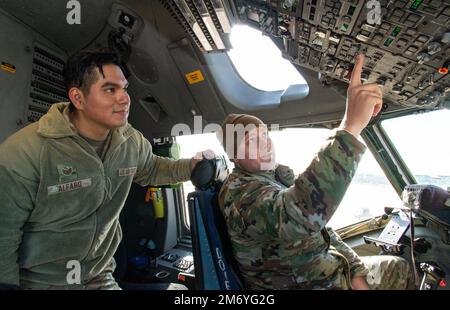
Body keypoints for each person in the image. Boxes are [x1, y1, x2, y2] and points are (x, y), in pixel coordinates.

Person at [0, 50, 213, 289]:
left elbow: (153, 169)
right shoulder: (26, 152)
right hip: (41, 282)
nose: (124, 98)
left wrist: (191, 166)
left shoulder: (130, 140)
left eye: (124, 88)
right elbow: (3, 236)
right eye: (110, 89)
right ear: (78, 98)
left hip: (99, 277)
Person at [217, 54, 413, 290]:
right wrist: (349, 128)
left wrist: (356, 272)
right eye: (252, 140)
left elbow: (323, 231)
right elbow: (300, 216)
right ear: (234, 155)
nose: (266, 143)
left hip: (329, 273)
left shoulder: (273, 180)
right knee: (399, 270)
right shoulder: (239, 194)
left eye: (266, 136)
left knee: (397, 266)